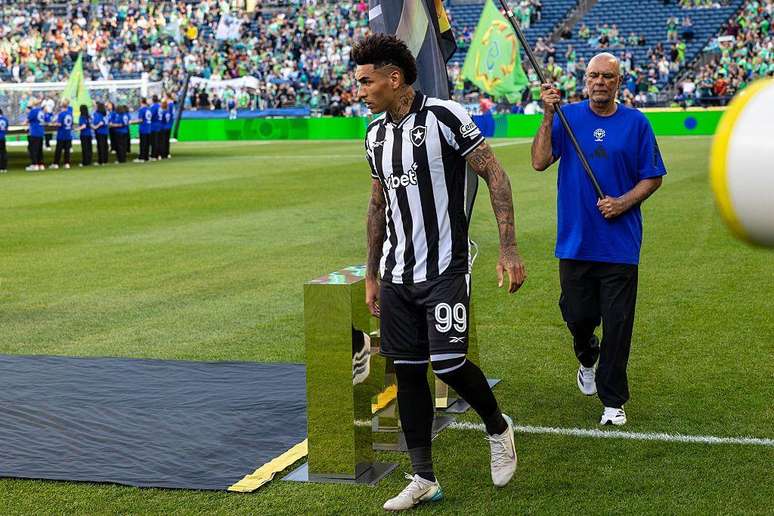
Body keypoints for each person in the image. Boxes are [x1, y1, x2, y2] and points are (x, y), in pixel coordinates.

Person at [353, 34, 526, 512]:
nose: (361, 90)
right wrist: (372, 274)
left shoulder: (446, 116)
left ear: (394, 78)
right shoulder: (373, 135)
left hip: (445, 268)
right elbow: (377, 205)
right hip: (396, 273)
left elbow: (494, 173)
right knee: (407, 374)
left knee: (448, 364)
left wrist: (508, 248)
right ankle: (423, 477)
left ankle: (497, 426)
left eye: (367, 81)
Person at [531, 52, 666, 426]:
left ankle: (613, 401)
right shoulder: (567, 117)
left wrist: (622, 202)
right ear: (585, 80)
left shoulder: (636, 123)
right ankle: (586, 356)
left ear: (619, 82)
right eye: (594, 76)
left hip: (619, 244)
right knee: (578, 316)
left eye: (608, 76)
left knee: (618, 324)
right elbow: (540, 161)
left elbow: (652, 176)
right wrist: (547, 114)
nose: (600, 82)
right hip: (575, 241)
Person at [51, 99, 74, 170]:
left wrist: (54, 124)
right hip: (68, 134)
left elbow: (59, 124)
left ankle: (56, 163)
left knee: (59, 150)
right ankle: (67, 163)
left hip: (61, 134)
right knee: (67, 150)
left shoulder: (61, 114)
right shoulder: (70, 113)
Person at [25, 99, 45, 171]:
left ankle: (34, 164)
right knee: (40, 149)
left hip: (34, 132)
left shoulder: (33, 111)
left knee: (33, 149)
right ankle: (41, 164)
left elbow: (27, 120)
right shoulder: (41, 111)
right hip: (41, 132)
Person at [134, 98, 152, 162]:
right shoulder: (149, 109)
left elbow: (140, 120)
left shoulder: (141, 110)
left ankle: (142, 157)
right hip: (149, 128)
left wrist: (132, 122)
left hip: (143, 128)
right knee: (147, 144)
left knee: (143, 144)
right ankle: (146, 157)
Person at [150, 95, 162, 160]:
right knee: (158, 141)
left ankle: (154, 155)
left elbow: (151, 116)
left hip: (154, 126)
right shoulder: (160, 106)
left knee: (154, 142)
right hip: (159, 125)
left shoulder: (153, 107)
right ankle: (159, 154)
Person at [0, 108, 8, 173]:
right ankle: (4, 167)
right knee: (3, 153)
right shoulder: (5, 119)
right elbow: (6, 128)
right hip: (3, 137)